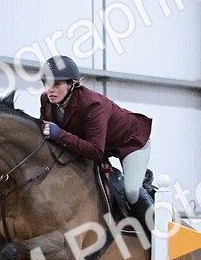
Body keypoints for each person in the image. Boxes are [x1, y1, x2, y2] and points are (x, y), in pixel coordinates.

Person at [38, 55, 155, 236]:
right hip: (102, 145)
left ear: (72, 84)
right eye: (47, 84)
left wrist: (60, 134)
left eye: (57, 85)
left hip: (131, 142)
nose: (50, 90)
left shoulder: (92, 104)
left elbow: (95, 151)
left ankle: (159, 233)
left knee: (131, 191)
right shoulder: (46, 100)